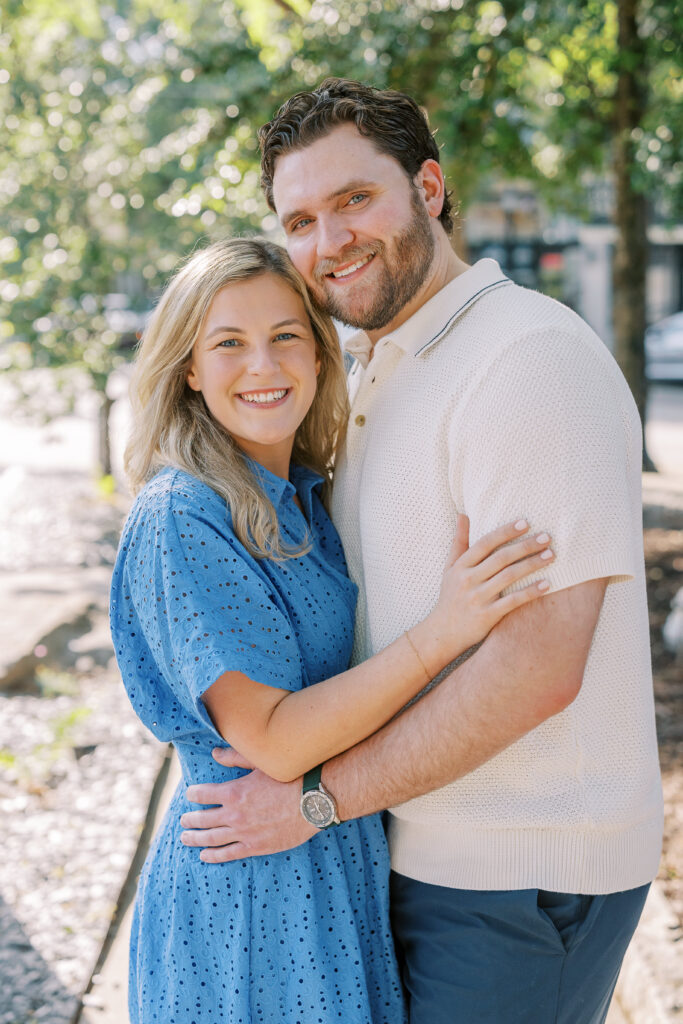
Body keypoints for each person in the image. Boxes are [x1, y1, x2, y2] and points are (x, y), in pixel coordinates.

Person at [179, 80, 664, 1023]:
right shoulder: (378, 366)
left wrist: (316, 802)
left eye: (356, 199)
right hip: (409, 845)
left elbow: (535, 669)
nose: (332, 241)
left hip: (513, 871)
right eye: (303, 219)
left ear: (429, 188)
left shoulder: (525, 359)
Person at [109, 235, 554, 1024]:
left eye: (287, 336)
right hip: (247, 888)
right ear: (188, 369)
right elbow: (276, 741)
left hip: (329, 862)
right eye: (228, 344)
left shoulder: (303, 497)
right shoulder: (184, 513)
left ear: (320, 355)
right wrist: (444, 629)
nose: (263, 366)